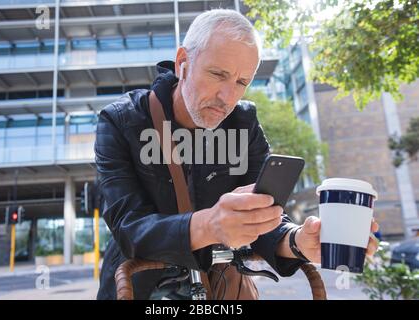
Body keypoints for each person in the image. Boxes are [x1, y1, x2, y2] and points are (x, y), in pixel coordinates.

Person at [95, 9, 379, 300]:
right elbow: (129, 229)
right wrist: (210, 224)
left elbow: (265, 221)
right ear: (183, 62)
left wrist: (298, 241)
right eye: (218, 74)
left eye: (242, 82)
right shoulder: (120, 121)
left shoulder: (245, 122)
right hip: (138, 289)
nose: (227, 97)